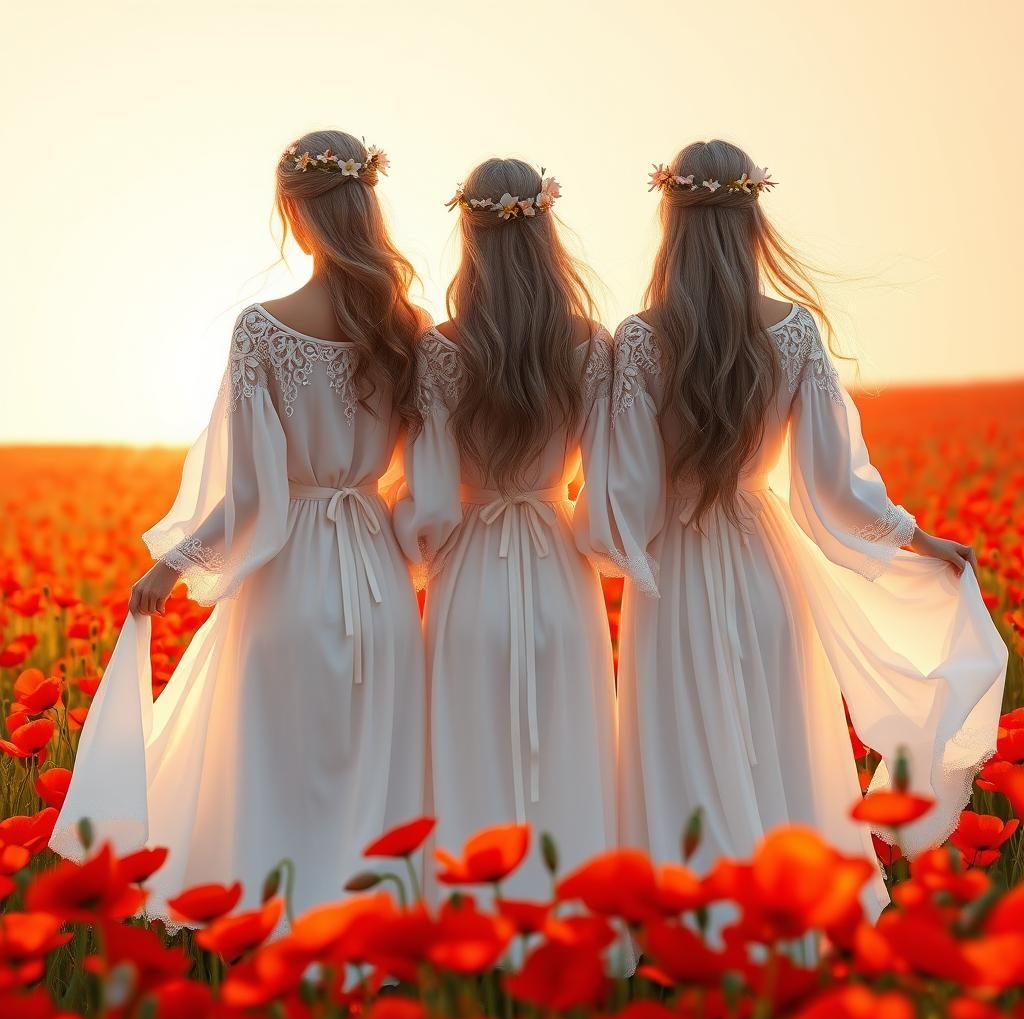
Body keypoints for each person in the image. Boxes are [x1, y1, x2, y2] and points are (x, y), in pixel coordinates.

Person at [594, 139, 1007, 919]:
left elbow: (631, 496)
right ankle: (796, 923)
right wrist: (923, 541)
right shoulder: (794, 332)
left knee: (687, 748)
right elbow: (836, 492)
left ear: (670, 222)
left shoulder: (642, 339)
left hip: (677, 575)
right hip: (764, 565)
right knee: (777, 742)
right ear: (753, 219)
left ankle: (702, 925)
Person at [53, 130, 429, 924]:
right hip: (376, 577)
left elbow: (254, 497)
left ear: (295, 214)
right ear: (366, 203)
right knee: (371, 762)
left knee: (277, 763)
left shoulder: (262, 326)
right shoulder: (409, 326)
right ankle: (365, 926)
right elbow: (422, 483)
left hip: (290, 578)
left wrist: (174, 561)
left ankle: (273, 918)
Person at [394, 159, 617, 896]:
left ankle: (476, 927)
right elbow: (610, 491)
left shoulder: (442, 348)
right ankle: (571, 921)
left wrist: (404, 549)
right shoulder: (593, 343)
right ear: (545, 228)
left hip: (471, 576)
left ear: (469, 235)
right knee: (569, 754)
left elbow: (430, 505)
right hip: (560, 572)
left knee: (470, 753)